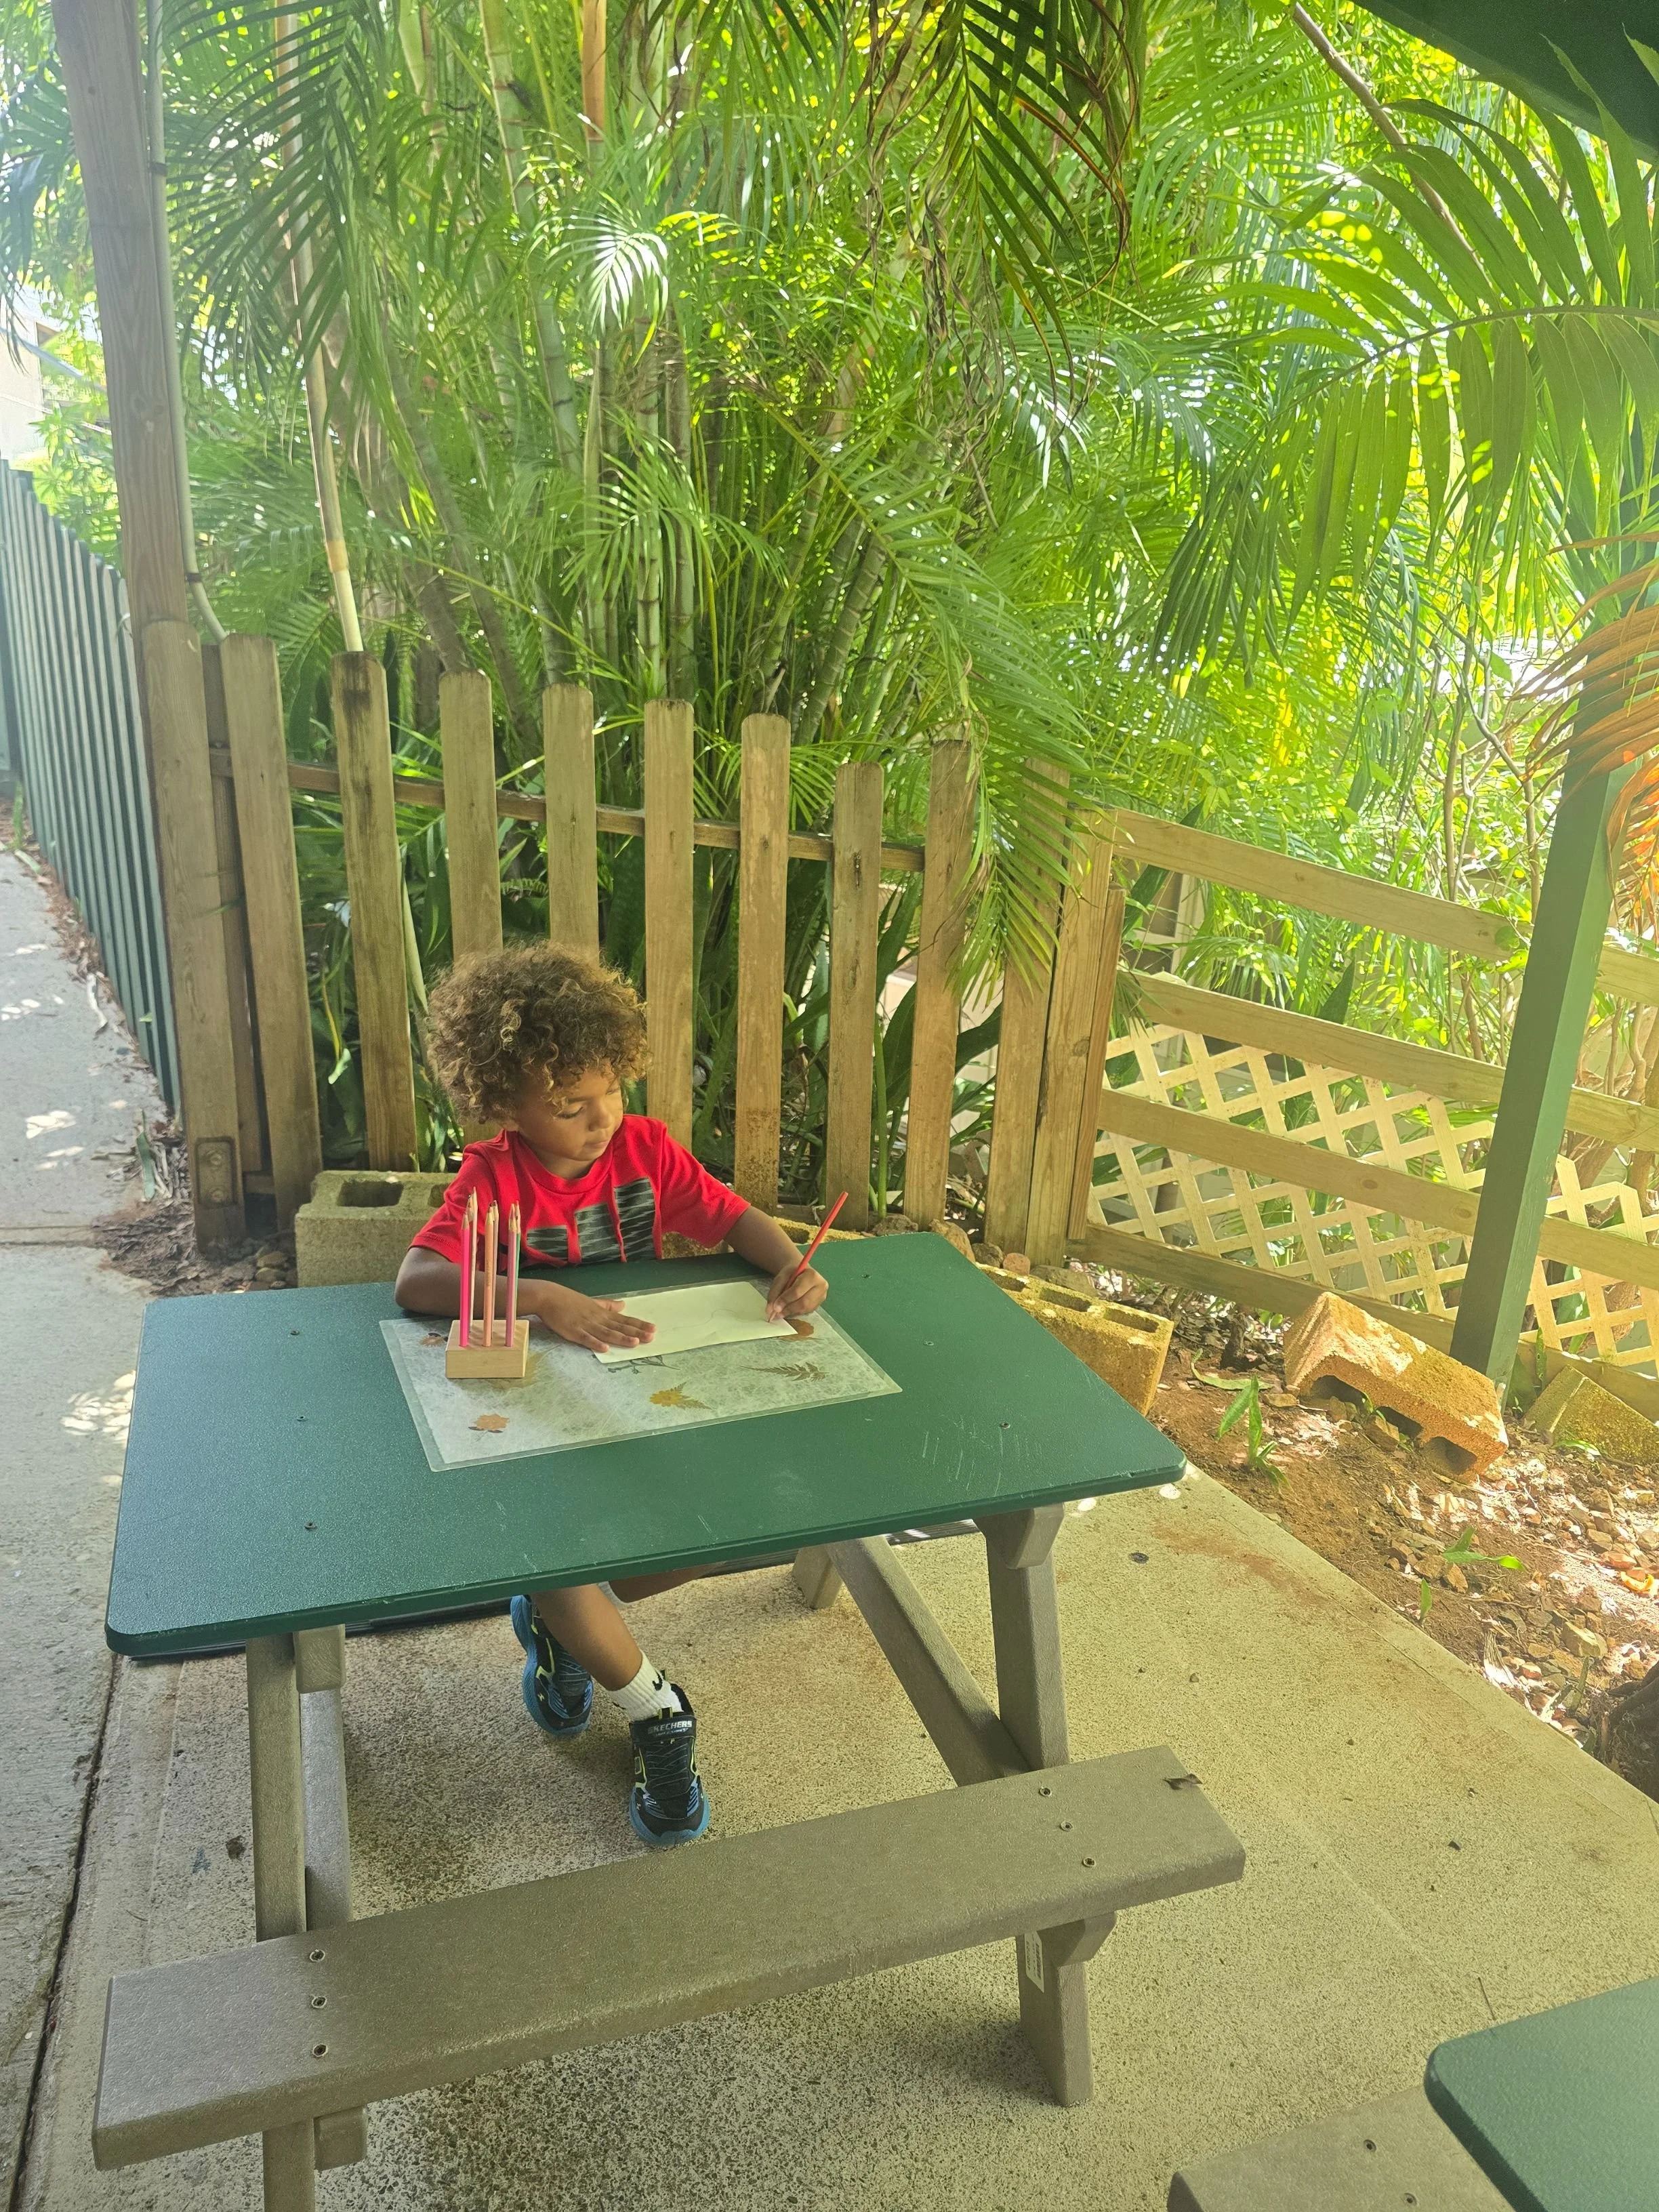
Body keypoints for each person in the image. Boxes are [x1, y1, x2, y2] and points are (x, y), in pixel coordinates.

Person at [395, 942, 827, 1848]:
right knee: (557, 1556)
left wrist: (790, 1264)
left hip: (643, 1393)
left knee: (710, 1535)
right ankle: (656, 1708)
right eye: (568, 1106)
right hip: (538, 1409)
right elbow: (417, 1281)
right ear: (503, 1106)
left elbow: (729, 1216)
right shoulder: (494, 1177)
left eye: (611, 1093)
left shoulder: (645, 1152)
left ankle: (564, 1628)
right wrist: (543, 1298)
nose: (600, 1121)